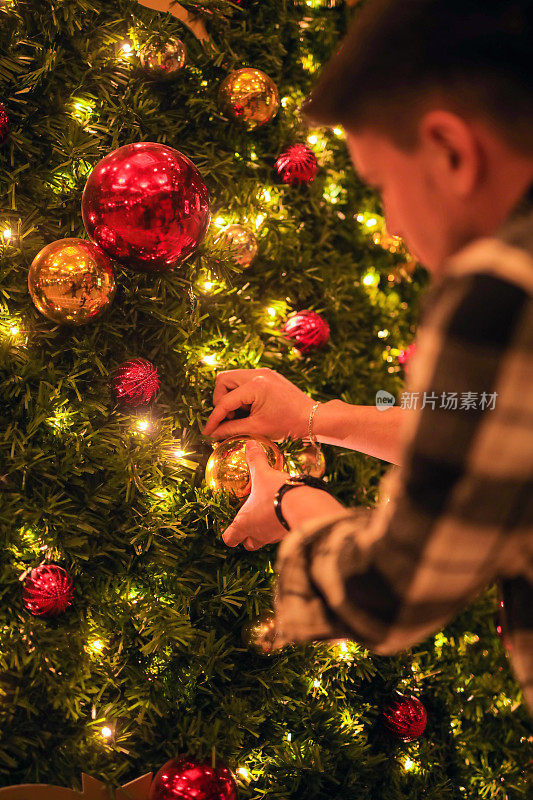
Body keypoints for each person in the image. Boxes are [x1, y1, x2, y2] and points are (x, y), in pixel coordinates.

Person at [202, 0, 533, 711]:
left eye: (381, 186)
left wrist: (291, 502)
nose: (388, 222)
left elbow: (388, 590)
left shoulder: (502, 287)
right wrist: (312, 417)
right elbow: (487, 418)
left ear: (449, 149)